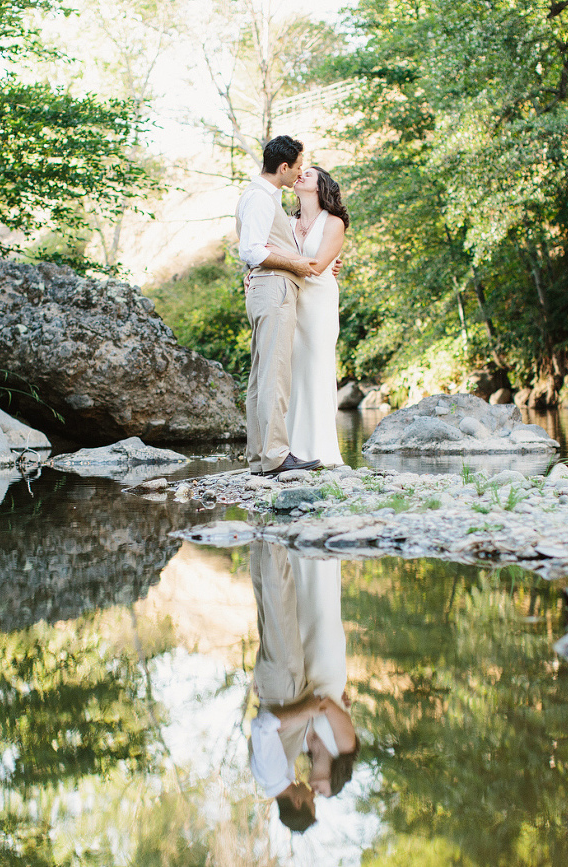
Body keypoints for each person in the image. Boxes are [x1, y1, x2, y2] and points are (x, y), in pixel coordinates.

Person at [247, 541, 359, 832]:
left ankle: (282, 539)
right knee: (319, 604)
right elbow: (323, 703)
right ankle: (315, 541)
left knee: (290, 605)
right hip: (324, 665)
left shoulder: (301, 751)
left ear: (299, 804)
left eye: (314, 799)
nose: (316, 793)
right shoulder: (344, 747)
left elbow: (288, 714)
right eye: (323, 793)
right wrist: (311, 707)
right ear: (335, 781)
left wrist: (269, 696)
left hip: (304, 673)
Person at [235, 135, 323, 477]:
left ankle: (259, 458)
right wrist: (298, 266)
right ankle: (275, 455)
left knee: (260, 376)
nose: (300, 172)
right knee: (275, 374)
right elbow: (252, 251)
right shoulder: (260, 198)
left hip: (265, 288)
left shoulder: (259, 196)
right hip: (274, 288)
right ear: (283, 167)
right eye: (298, 166)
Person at [286, 166, 349, 467]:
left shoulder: (334, 223)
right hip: (292, 301)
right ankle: (292, 450)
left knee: (318, 370)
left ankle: (323, 451)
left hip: (320, 302)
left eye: (308, 174)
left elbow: (320, 264)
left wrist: (276, 260)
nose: (300, 175)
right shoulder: (287, 222)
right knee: (294, 373)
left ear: (321, 185)